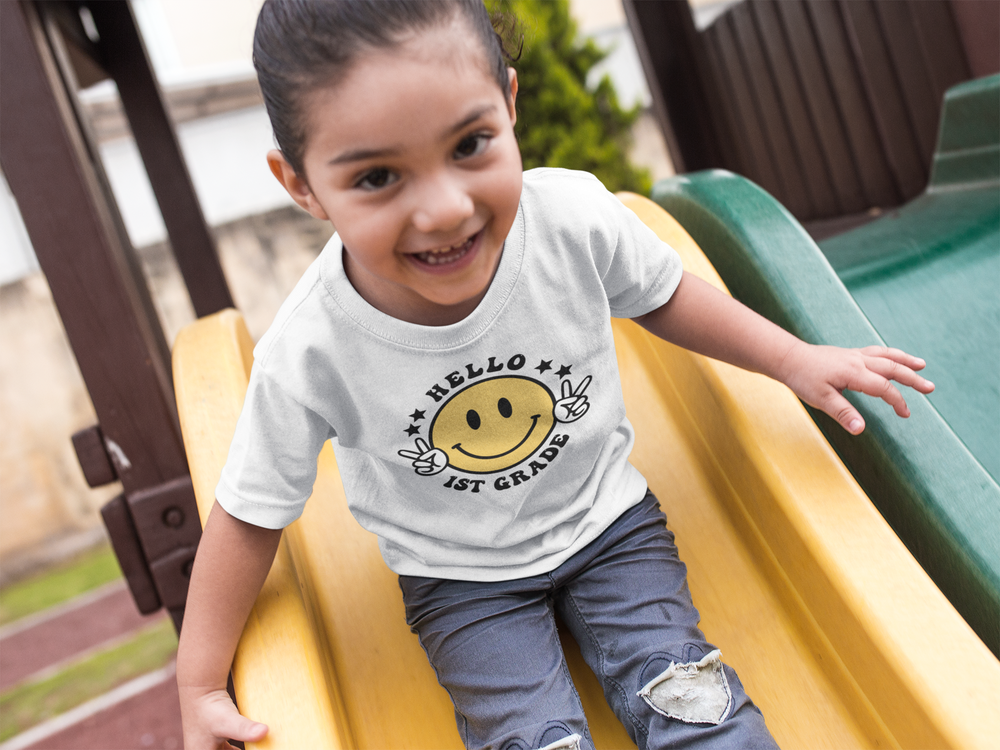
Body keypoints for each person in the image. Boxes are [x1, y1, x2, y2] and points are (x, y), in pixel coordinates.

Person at [176, 2, 935, 749]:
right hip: (462, 584)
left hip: (610, 525)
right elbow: (249, 513)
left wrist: (794, 360)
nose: (443, 209)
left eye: (470, 144)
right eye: (378, 177)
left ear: (508, 104)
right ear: (302, 184)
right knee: (531, 741)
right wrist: (201, 682)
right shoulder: (311, 345)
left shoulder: (570, 221)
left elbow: (666, 294)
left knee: (688, 694)